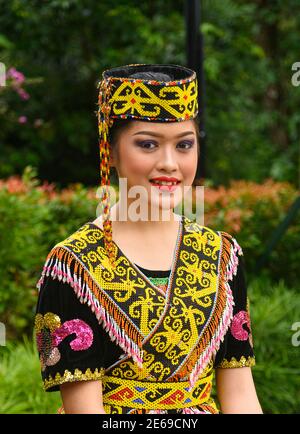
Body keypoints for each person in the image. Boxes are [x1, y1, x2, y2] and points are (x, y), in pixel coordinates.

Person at [34, 64, 263, 414]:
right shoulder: (74, 265)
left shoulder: (222, 255)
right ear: (110, 151)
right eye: (147, 144)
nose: (169, 163)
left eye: (184, 145)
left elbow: (241, 395)